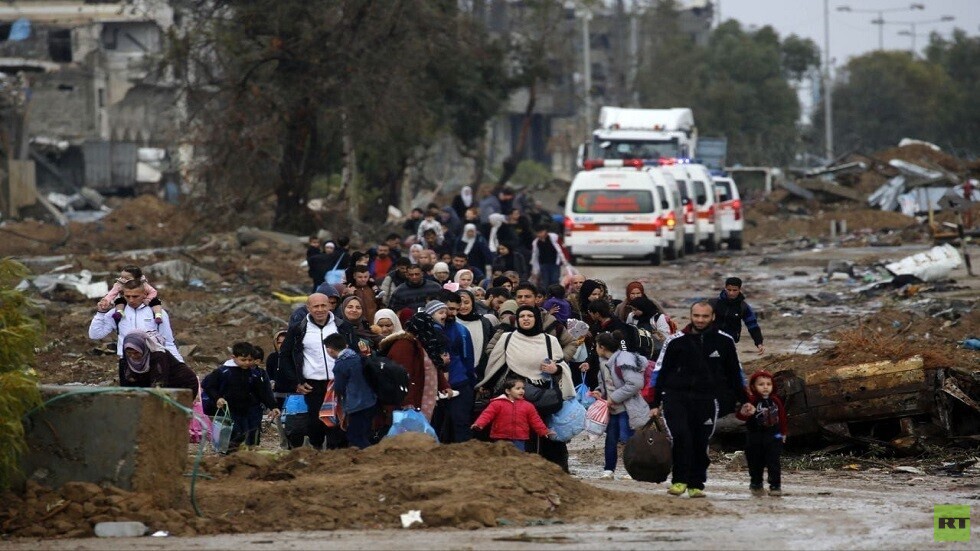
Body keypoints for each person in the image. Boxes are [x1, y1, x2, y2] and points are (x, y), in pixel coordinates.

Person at [650, 301, 750, 498]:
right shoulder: (675, 341)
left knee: (700, 441)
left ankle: (696, 484)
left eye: (705, 316)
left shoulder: (725, 341)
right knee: (681, 436)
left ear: (712, 317)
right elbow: (659, 372)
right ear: (691, 316)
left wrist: (745, 400)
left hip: (707, 400)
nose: (700, 320)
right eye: (696, 316)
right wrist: (653, 403)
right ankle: (679, 481)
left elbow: (735, 374)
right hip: (675, 398)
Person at [479, 305, 574, 471]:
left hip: (541, 395)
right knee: (511, 432)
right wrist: (486, 385)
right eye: (522, 316)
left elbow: (561, 365)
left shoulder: (549, 341)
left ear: (536, 318)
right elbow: (495, 364)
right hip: (512, 394)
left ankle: (538, 469)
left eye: (530, 315)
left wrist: (555, 369)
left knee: (539, 432)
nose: (526, 319)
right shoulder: (507, 338)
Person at [277, 293, 356, 449]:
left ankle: (339, 453)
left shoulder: (342, 327)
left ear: (329, 306)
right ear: (308, 308)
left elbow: (353, 353)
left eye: (323, 305)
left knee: (340, 418)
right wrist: (296, 382)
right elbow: (285, 355)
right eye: (316, 306)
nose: (320, 310)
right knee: (316, 420)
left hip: (338, 381)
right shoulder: (299, 329)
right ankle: (317, 451)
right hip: (313, 384)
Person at [89, 279, 183, 385]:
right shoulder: (117, 313)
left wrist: (180, 364)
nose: (131, 300)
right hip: (127, 362)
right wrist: (101, 313)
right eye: (127, 296)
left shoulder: (156, 313)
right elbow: (95, 334)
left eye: (135, 296)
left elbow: (168, 342)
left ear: (144, 294)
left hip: (153, 362)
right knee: (130, 398)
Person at [593, 331, 650, 480]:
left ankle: (633, 470)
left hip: (627, 408)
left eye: (596, 345)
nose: (595, 349)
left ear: (602, 347)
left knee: (628, 439)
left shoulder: (623, 360)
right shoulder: (604, 361)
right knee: (610, 439)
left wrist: (614, 397)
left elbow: (636, 383)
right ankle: (608, 470)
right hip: (612, 409)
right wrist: (599, 392)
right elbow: (604, 383)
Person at [202, 341, 280, 452]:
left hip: (252, 410)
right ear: (233, 357)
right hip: (230, 410)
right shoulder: (223, 371)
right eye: (243, 360)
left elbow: (264, 391)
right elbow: (208, 385)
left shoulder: (255, 374)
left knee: (252, 436)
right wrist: (217, 398)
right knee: (232, 438)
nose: (247, 363)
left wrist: (273, 406)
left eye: (250, 360)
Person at [390, 310, 452, 420]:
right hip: (413, 402)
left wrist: (444, 385)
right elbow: (402, 375)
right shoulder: (405, 345)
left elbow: (432, 365)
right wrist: (408, 402)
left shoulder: (423, 343)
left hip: (425, 397)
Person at [431, 294, 476, 443]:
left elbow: (467, 359)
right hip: (433, 384)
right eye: (449, 308)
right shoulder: (427, 330)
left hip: (459, 383)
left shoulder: (461, 331)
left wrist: (470, 383)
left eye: (456, 309)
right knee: (434, 426)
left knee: (461, 425)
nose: (453, 313)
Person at [736, 370, 787, 497]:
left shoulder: (775, 400)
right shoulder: (751, 400)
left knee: (774, 461)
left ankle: (775, 485)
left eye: (768, 384)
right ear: (753, 386)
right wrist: (744, 412)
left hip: (773, 435)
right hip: (754, 436)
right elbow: (741, 416)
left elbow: (782, 417)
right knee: (755, 462)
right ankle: (756, 483)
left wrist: (783, 433)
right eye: (761, 384)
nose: (765, 387)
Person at [471, 378, 555, 450]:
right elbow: (486, 415)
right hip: (500, 436)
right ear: (508, 391)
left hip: (519, 438)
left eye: (523, 388)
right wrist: (479, 424)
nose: (522, 391)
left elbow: (536, 420)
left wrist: (544, 431)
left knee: (518, 458)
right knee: (500, 457)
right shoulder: (497, 403)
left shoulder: (528, 405)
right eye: (518, 388)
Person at [325, 333, 376, 449]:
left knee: (355, 437)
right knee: (365, 433)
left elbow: (339, 388)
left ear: (330, 350)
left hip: (356, 405)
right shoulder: (358, 358)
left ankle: (370, 457)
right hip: (370, 401)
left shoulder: (340, 365)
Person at [118, 331, 197, 398]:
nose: (133, 356)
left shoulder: (157, 356)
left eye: (136, 353)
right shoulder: (125, 361)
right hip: (154, 387)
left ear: (143, 348)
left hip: (181, 386)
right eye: (129, 353)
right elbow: (125, 388)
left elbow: (158, 386)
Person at [709, 276, 765, 354]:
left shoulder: (743, 307)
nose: (731, 293)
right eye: (729, 290)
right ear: (725, 288)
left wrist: (759, 343)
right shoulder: (714, 303)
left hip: (730, 339)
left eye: (734, 290)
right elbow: (700, 320)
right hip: (713, 336)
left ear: (739, 290)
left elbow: (752, 325)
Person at [99, 265, 163, 324]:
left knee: (156, 302)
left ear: (137, 279)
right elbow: (112, 293)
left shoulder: (143, 285)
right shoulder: (119, 284)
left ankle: (158, 315)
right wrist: (106, 300)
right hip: (126, 302)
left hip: (144, 301)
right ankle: (119, 312)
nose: (123, 279)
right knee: (119, 301)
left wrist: (148, 299)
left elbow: (153, 292)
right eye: (122, 277)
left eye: (127, 278)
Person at [455, 289, 496, 380]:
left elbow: (490, 345)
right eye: (459, 303)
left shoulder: (483, 322)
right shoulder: (451, 322)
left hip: (480, 370)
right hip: (458, 372)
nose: (463, 306)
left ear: (472, 303)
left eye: (466, 302)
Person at [266, 330, 288, 409]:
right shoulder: (272, 357)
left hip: (294, 393)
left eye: (285, 342)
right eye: (279, 343)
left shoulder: (296, 356)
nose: (282, 345)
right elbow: (269, 374)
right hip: (277, 393)